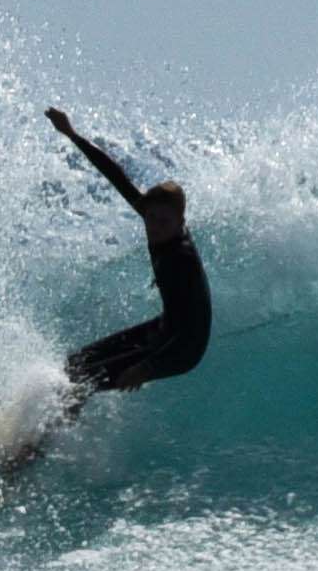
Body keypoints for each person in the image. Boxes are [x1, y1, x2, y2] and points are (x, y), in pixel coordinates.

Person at [45, 106, 210, 396]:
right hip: (164, 330)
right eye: (150, 218)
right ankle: (56, 426)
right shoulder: (156, 220)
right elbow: (116, 176)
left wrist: (148, 367)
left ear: (181, 222)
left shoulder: (180, 260)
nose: (155, 227)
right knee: (74, 365)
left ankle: (35, 442)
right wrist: (72, 134)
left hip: (182, 350)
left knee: (80, 381)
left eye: (164, 222)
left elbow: (192, 330)